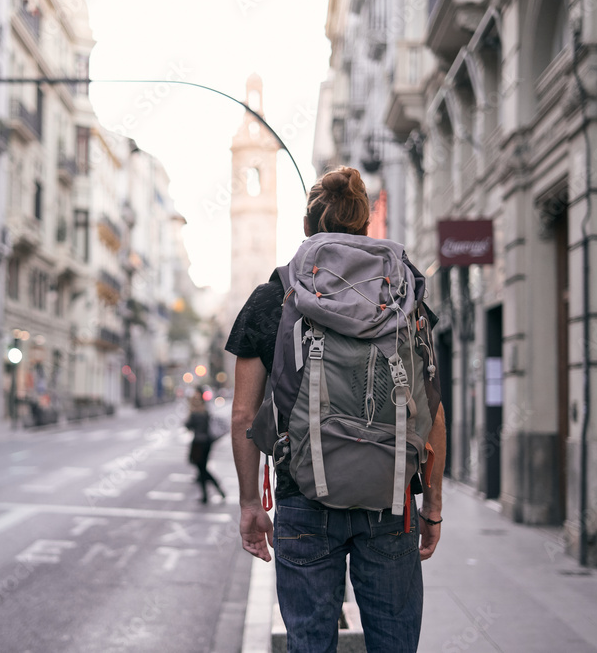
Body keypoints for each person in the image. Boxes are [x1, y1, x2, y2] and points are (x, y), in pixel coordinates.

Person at [226, 167, 447, 652]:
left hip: (303, 498)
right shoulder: (404, 299)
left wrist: (249, 504)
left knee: (309, 644)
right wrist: (431, 506)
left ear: (307, 228)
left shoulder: (273, 297)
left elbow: (244, 417)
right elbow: (432, 411)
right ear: (367, 227)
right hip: (390, 502)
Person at [186, 389, 226, 504]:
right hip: (207, 443)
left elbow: (188, 426)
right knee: (202, 469)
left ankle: (212, 492)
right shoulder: (206, 412)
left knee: (202, 469)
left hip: (198, 443)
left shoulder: (194, 414)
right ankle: (210, 494)